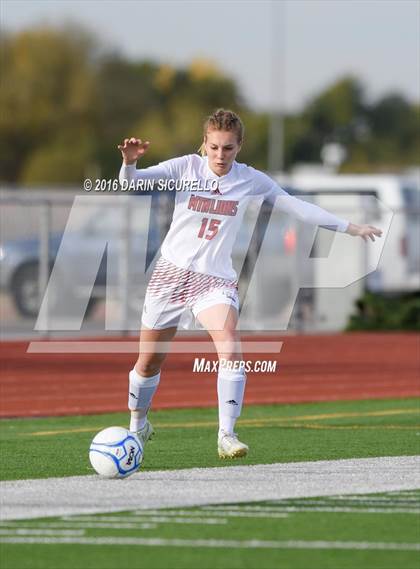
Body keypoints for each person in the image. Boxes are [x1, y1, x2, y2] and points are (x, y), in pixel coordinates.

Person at [118, 109, 382, 459]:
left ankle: (227, 434)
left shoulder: (250, 179)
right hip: (170, 274)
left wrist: (349, 227)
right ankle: (137, 424)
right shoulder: (185, 167)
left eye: (228, 148)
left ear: (239, 146)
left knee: (229, 343)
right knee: (148, 363)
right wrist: (129, 163)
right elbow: (130, 184)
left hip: (213, 279)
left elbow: (297, 208)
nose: (220, 156)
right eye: (214, 147)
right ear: (205, 143)